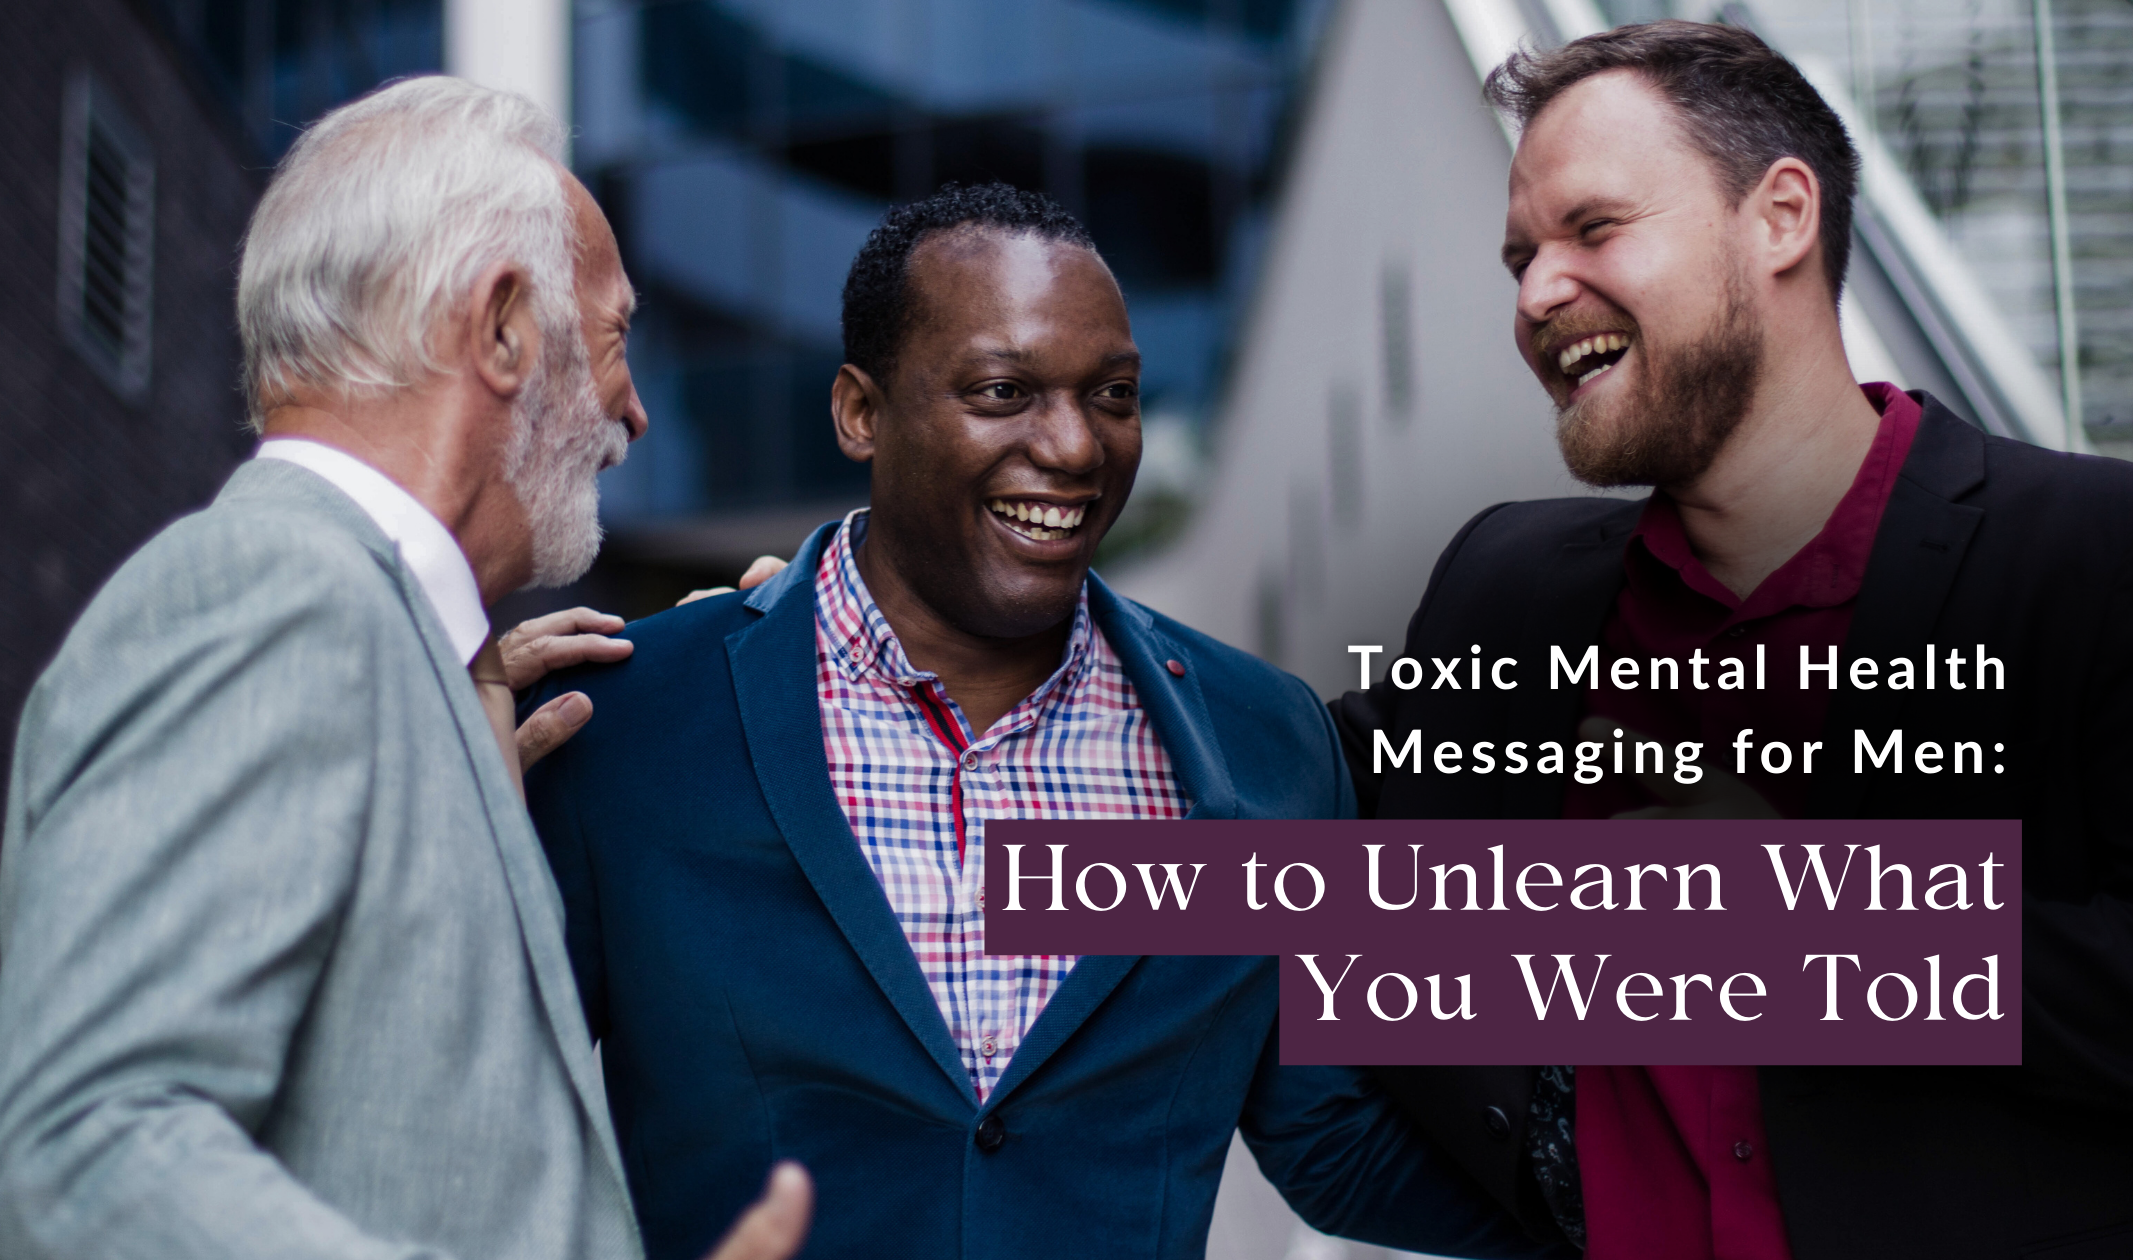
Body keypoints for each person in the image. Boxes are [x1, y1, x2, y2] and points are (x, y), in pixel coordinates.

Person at [522, 184, 1563, 1260]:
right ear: (859, 412)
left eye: (1111, 394)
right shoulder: (622, 726)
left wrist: (1691, 1186)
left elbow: (1334, 1143)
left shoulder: (1265, 742)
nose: (1071, 446)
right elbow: (484, 1133)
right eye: (1002, 390)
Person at [0, 77, 808, 1260]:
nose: (633, 412)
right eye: (614, 338)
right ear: (503, 328)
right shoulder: (274, 600)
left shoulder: (397, 656)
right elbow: (78, 1151)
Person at [1330, 22, 2133, 1260]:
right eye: (1520, 258)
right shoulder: (1501, 590)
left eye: (1591, 230)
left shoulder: (2087, 558)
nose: (1536, 293)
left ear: (1779, 219)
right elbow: (1284, 803)